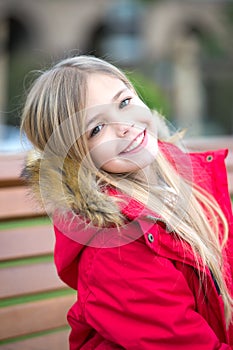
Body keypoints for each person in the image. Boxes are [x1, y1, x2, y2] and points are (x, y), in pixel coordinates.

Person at [21, 55, 233, 349]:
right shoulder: (113, 245)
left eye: (124, 102)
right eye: (96, 128)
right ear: (77, 159)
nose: (124, 125)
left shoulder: (179, 182)